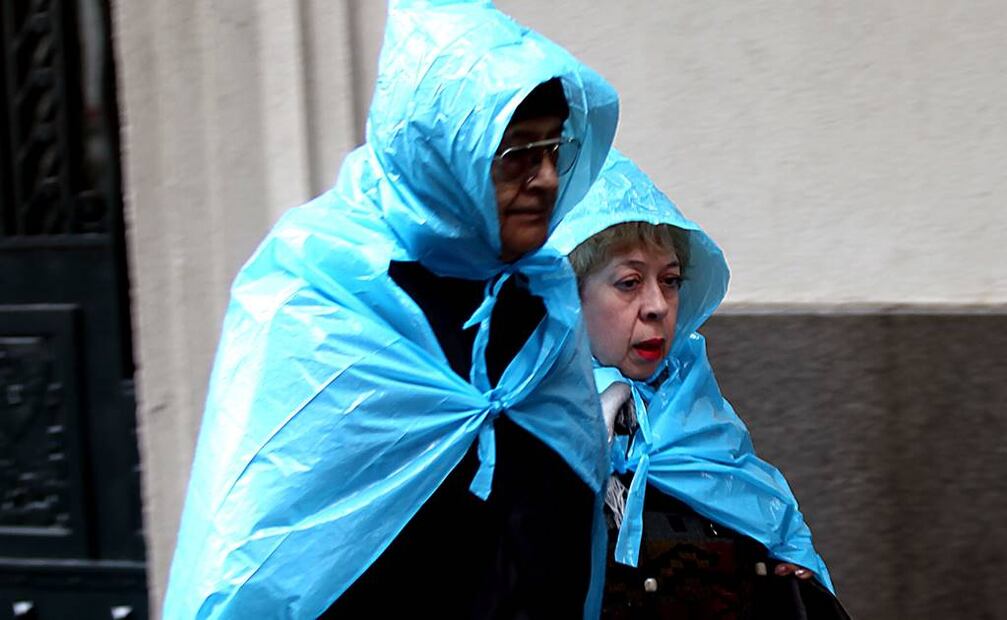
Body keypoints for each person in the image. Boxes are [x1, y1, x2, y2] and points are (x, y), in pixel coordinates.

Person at [161, 1, 618, 618]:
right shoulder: (323, 294)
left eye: (553, 147)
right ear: (438, 153)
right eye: (516, 152)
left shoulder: (543, 299)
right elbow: (262, 552)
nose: (545, 178)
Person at [550, 151, 849, 619]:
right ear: (570, 293)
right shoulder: (528, 415)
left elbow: (773, 530)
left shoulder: (696, 410)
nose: (657, 305)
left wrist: (784, 572)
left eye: (670, 280)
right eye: (629, 282)